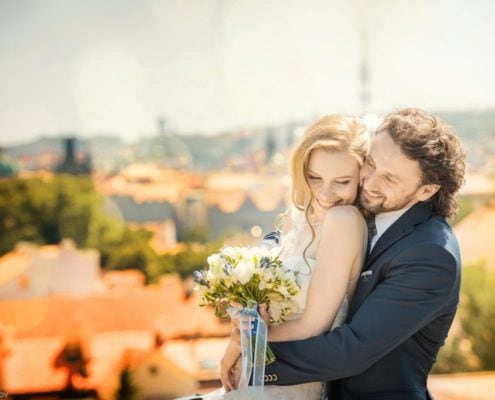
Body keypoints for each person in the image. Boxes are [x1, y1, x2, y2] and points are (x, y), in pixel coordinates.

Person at [227, 108, 465, 400]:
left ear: (426, 190)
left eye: (389, 178)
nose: (370, 181)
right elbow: (298, 232)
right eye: (371, 164)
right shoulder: (366, 206)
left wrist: (252, 362)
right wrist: (258, 263)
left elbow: (351, 349)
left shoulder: (430, 255)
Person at [217, 114, 371, 399]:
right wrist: (239, 338)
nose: (325, 194)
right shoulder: (295, 216)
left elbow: (314, 326)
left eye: (342, 182)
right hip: (261, 371)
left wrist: (242, 345)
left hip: (295, 383)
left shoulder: (345, 220)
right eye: (315, 177)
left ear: (362, 179)